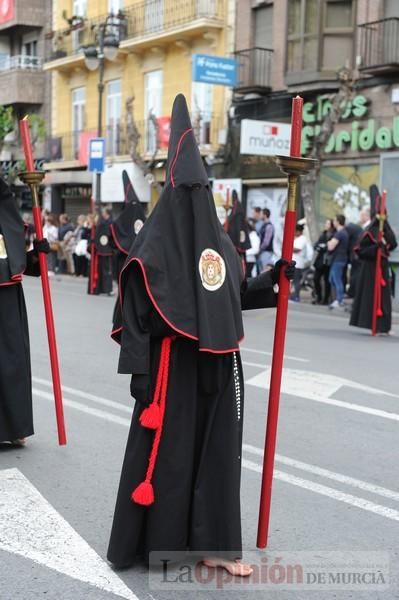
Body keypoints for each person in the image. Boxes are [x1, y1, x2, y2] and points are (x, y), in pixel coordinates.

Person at [107, 94, 295, 577]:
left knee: (217, 459)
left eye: (201, 190)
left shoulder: (220, 243)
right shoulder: (151, 248)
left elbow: (226, 295)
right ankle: (158, 544)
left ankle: (214, 546)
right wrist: (140, 378)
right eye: (188, 190)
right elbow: (135, 312)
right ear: (175, 190)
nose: (196, 200)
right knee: (167, 460)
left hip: (216, 363)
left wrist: (272, 283)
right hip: (169, 375)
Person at [0, 177, 49, 445]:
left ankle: (14, 428)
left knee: (12, 363)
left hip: (7, 299)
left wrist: (37, 254)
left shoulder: (7, 219)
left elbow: (19, 264)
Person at [350, 199, 397, 334]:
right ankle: (370, 323)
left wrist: (385, 236)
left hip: (382, 266)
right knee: (369, 296)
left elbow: (392, 244)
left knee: (384, 297)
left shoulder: (386, 229)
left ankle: (383, 326)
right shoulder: (369, 231)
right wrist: (374, 248)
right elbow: (360, 251)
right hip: (370, 268)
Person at [110, 170, 146, 280]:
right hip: (140, 257)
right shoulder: (143, 216)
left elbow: (115, 231)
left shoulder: (123, 219)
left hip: (125, 258)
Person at [327, 214, 349, 309]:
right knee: (332, 279)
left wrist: (329, 242)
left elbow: (331, 246)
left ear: (338, 222)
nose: (333, 223)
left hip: (338, 259)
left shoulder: (340, 233)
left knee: (336, 279)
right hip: (339, 259)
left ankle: (339, 300)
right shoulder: (344, 233)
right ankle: (338, 299)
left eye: (335, 221)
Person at [312, 219, 335, 305]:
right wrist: (320, 246)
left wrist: (323, 247)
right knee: (316, 279)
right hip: (320, 261)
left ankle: (325, 299)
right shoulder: (323, 234)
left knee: (327, 281)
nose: (326, 225)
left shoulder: (334, 234)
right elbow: (316, 245)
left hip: (328, 261)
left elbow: (330, 247)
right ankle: (319, 296)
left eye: (328, 223)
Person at [92, 208, 114, 295]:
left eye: (103, 213)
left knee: (107, 270)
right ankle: (102, 288)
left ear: (106, 213)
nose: (102, 214)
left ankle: (108, 289)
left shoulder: (110, 223)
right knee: (102, 270)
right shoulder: (102, 223)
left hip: (107, 249)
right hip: (102, 249)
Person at [290, 223, 308, 302]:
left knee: (296, 281)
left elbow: (298, 249)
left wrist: (289, 247)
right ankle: (292, 296)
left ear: (299, 231)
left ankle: (296, 297)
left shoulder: (303, 239)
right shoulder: (296, 238)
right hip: (293, 262)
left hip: (298, 263)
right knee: (292, 281)